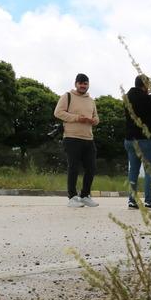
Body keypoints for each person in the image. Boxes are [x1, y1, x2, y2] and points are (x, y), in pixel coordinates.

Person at [54, 73, 99, 208]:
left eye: (85, 83)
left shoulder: (91, 100)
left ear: (88, 85)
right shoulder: (67, 96)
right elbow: (58, 112)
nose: (83, 86)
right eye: (80, 83)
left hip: (88, 138)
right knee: (73, 167)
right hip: (71, 137)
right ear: (75, 84)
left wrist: (93, 120)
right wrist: (77, 118)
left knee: (91, 168)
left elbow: (97, 118)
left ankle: (85, 195)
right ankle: (72, 197)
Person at [124, 74, 151, 210]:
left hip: (130, 139)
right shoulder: (147, 98)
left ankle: (132, 201)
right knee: (150, 171)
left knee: (133, 170)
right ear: (145, 85)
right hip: (145, 139)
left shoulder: (127, 97)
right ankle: (149, 201)